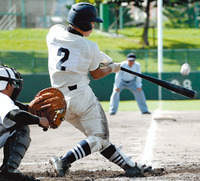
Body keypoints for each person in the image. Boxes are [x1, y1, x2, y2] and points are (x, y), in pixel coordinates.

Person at [46, 2, 153, 178]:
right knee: (99, 137)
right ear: (85, 24)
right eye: (92, 22)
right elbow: (96, 74)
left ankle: (130, 166)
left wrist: (101, 57)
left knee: (96, 139)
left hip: (58, 99)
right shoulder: (90, 47)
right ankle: (64, 160)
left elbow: (67, 36)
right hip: (81, 97)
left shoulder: (53, 34)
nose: (94, 25)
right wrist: (113, 68)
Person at [0, 65, 49, 181]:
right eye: (13, 84)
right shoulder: (2, 97)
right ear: (7, 85)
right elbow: (15, 115)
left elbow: (16, 107)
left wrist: (28, 109)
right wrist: (39, 120)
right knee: (20, 126)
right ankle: (8, 172)